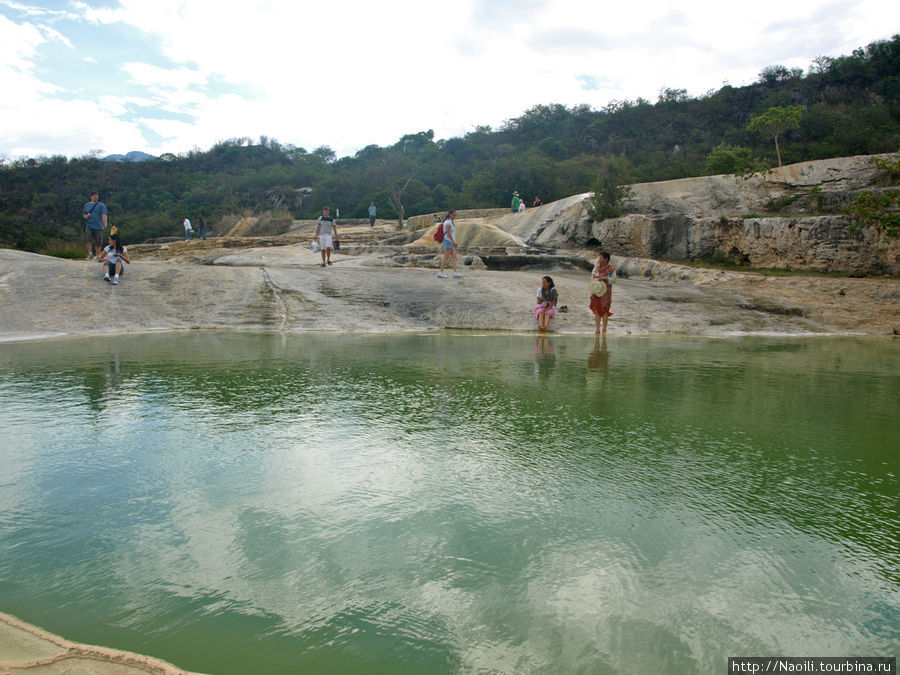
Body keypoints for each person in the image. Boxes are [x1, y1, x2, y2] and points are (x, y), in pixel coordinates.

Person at [589, 250, 615, 335]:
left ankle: (604, 329)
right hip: (597, 289)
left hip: (605, 291)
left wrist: (605, 278)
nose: (599, 259)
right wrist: (597, 278)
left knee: (604, 310)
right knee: (597, 309)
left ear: (606, 259)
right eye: (599, 258)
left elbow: (614, 279)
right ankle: (597, 329)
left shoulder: (611, 268)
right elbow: (592, 276)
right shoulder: (597, 267)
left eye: (601, 258)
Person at [82, 191, 108, 260]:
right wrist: (86, 216)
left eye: (96, 197)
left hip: (98, 225)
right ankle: (90, 254)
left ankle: (97, 255)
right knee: (87, 239)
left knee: (98, 241)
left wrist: (105, 222)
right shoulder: (87, 205)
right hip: (89, 224)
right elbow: (84, 214)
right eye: (94, 196)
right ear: (91, 197)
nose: (96, 198)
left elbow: (104, 214)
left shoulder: (101, 205)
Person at [437, 209, 462, 278]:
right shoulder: (448, 222)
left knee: (454, 257)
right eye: (453, 215)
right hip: (448, 241)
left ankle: (455, 272)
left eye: (455, 215)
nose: (454, 216)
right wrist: (453, 242)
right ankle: (441, 272)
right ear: (450, 214)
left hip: (450, 241)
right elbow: (448, 233)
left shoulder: (450, 221)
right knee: (446, 256)